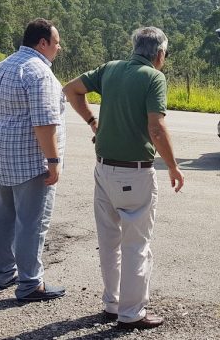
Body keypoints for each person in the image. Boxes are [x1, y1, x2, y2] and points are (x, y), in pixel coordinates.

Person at [63, 26, 184, 329]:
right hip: (135, 172)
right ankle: (131, 313)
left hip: (103, 169)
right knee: (136, 244)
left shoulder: (110, 69)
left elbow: (71, 89)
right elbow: (156, 128)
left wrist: (93, 122)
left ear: (135, 47)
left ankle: (112, 303)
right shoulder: (153, 78)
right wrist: (173, 166)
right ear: (159, 54)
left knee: (109, 241)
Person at [0, 18, 66, 302]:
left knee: (5, 217)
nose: (59, 48)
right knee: (32, 222)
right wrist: (53, 160)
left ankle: (4, 272)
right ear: (43, 43)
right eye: (56, 43)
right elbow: (44, 123)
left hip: (1, 155)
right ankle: (30, 283)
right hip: (29, 160)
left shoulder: (5, 64)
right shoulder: (39, 72)